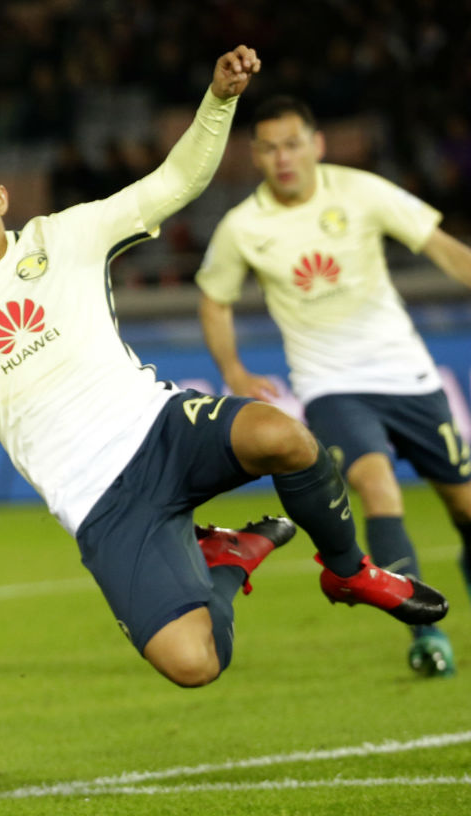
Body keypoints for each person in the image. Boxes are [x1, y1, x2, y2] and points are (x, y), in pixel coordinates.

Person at [0, 47, 448, 689]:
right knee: (195, 665)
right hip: (98, 501)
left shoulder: (66, 236)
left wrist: (219, 100)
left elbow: (176, 181)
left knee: (286, 437)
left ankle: (350, 571)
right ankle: (228, 558)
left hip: (160, 428)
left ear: (1, 198)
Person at [196, 95, 471, 679]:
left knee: (464, 505)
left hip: (410, 375)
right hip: (330, 386)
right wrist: (234, 371)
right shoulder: (244, 226)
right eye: (268, 148)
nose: (282, 158)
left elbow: (440, 245)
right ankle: (425, 634)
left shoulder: (362, 191)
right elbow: (214, 301)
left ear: (316, 144)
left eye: (292, 143)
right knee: (376, 486)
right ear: (255, 156)